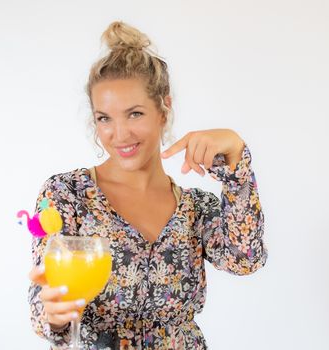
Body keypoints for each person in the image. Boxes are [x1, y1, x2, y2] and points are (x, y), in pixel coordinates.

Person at [27, 20, 267, 350]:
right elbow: (45, 299)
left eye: (135, 114)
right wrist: (51, 313)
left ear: (163, 110)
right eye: (104, 118)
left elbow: (245, 259)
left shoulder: (196, 209)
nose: (120, 134)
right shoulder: (66, 195)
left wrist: (237, 159)